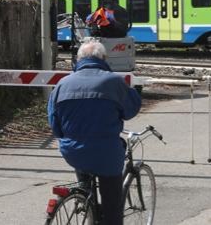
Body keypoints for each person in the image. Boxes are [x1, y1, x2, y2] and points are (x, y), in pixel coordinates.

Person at [48, 41, 142, 224]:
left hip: (73, 152)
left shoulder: (62, 84)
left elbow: (55, 125)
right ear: (104, 59)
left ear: (78, 59)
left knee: (85, 171)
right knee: (111, 205)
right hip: (106, 154)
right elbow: (130, 110)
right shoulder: (113, 81)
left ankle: (86, 198)